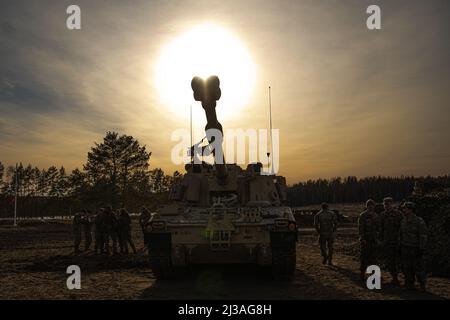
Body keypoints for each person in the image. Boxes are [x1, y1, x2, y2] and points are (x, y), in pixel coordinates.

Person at [400, 202, 428, 291]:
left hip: (415, 248)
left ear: (411, 209)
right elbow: (400, 234)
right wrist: (400, 245)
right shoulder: (403, 220)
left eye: (405, 208)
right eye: (404, 208)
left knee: (419, 268)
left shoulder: (419, 221)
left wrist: (421, 248)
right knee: (407, 268)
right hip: (405, 247)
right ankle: (409, 285)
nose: (404, 210)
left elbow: (423, 235)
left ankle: (422, 285)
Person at [379, 197, 403, 286]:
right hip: (387, 242)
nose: (386, 206)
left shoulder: (398, 214)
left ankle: (407, 280)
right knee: (390, 261)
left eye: (388, 204)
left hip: (397, 241)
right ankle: (395, 278)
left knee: (399, 261)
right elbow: (380, 229)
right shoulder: (382, 215)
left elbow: (403, 228)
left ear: (392, 204)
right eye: (385, 204)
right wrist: (380, 240)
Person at [358, 199, 380, 281]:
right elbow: (360, 228)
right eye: (368, 205)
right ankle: (362, 274)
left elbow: (379, 228)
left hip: (374, 240)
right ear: (366, 206)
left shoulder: (376, 216)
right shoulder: (363, 215)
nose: (370, 206)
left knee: (374, 258)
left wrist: (378, 239)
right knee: (364, 257)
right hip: (365, 240)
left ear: (374, 206)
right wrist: (362, 238)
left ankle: (374, 276)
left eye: (372, 205)